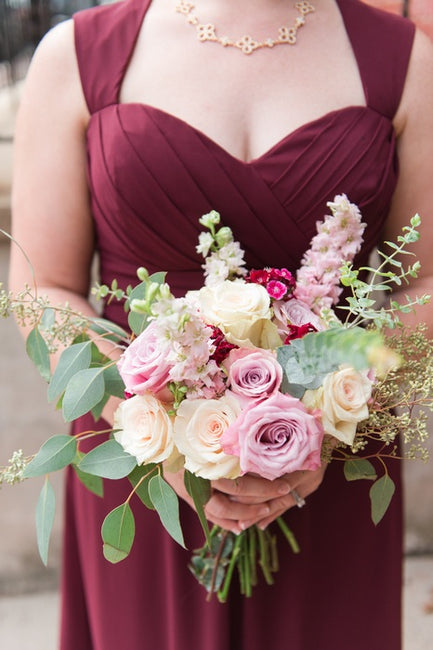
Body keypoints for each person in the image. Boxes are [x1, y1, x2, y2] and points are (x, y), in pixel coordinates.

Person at [8, 0, 433, 648]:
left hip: (331, 461)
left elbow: (423, 281)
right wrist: (164, 431)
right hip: (143, 471)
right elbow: (43, 289)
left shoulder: (404, 62)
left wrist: (320, 419)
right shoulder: (76, 57)